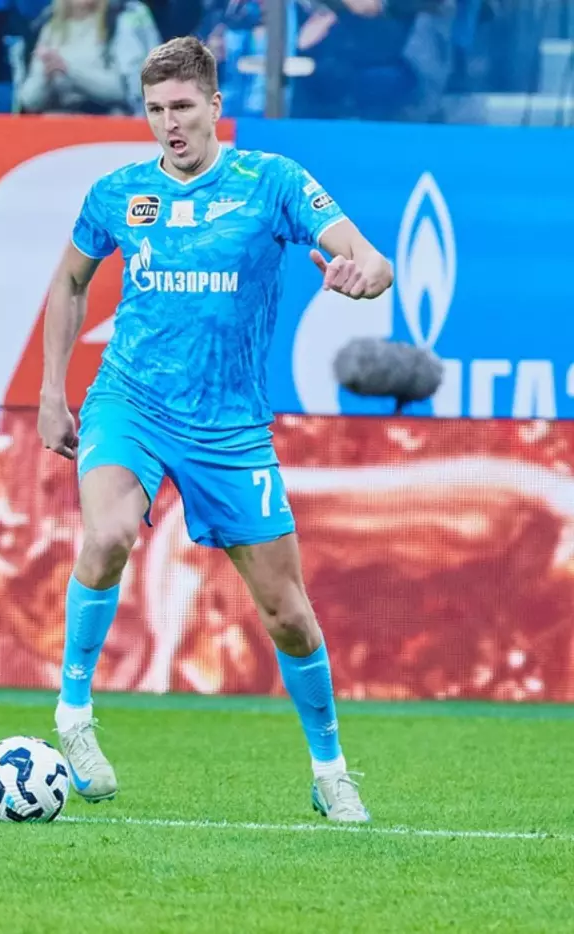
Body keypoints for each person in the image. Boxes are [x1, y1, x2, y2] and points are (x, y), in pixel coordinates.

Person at [37, 36, 392, 823]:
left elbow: (369, 259)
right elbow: (69, 283)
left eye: (182, 107)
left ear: (214, 107)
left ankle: (330, 769)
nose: (169, 123)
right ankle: (74, 714)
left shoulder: (272, 182)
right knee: (108, 534)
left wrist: (363, 275)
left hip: (229, 427)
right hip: (129, 401)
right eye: (155, 109)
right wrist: (51, 393)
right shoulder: (119, 193)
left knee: (286, 612)